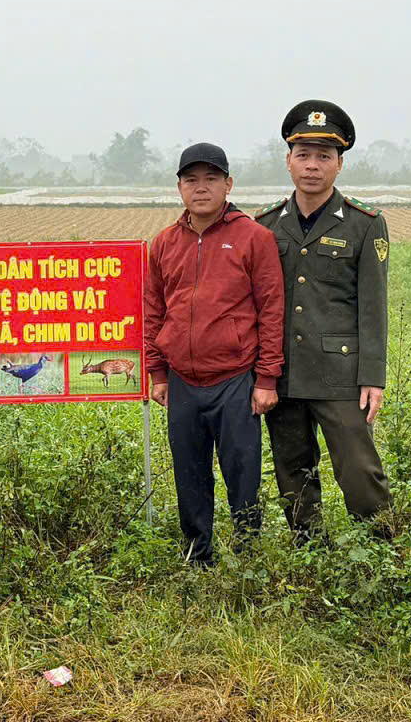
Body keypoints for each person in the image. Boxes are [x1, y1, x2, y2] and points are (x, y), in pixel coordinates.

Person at [255, 100, 392, 542]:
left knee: (359, 471)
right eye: (303, 155)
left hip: (340, 374)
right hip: (284, 373)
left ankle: (382, 550)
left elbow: (373, 307)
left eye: (323, 156)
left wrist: (372, 377)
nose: (312, 166)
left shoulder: (364, 224)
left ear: (339, 164)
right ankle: (309, 554)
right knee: (292, 473)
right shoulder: (265, 225)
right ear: (288, 161)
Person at [144, 143, 285, 565]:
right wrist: (157, 372)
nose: (201, 188)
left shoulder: (254, 238)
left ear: (228, 184)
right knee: (189, 472)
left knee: (242, 470)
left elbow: (271, 310)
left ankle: (248, 554)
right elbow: (154, 310)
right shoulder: (164, 243)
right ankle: (197, 552)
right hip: (183, 380)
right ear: (179, 188)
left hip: (235, 378)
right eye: (191, 180)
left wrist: (266, 378)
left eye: (211, 179)